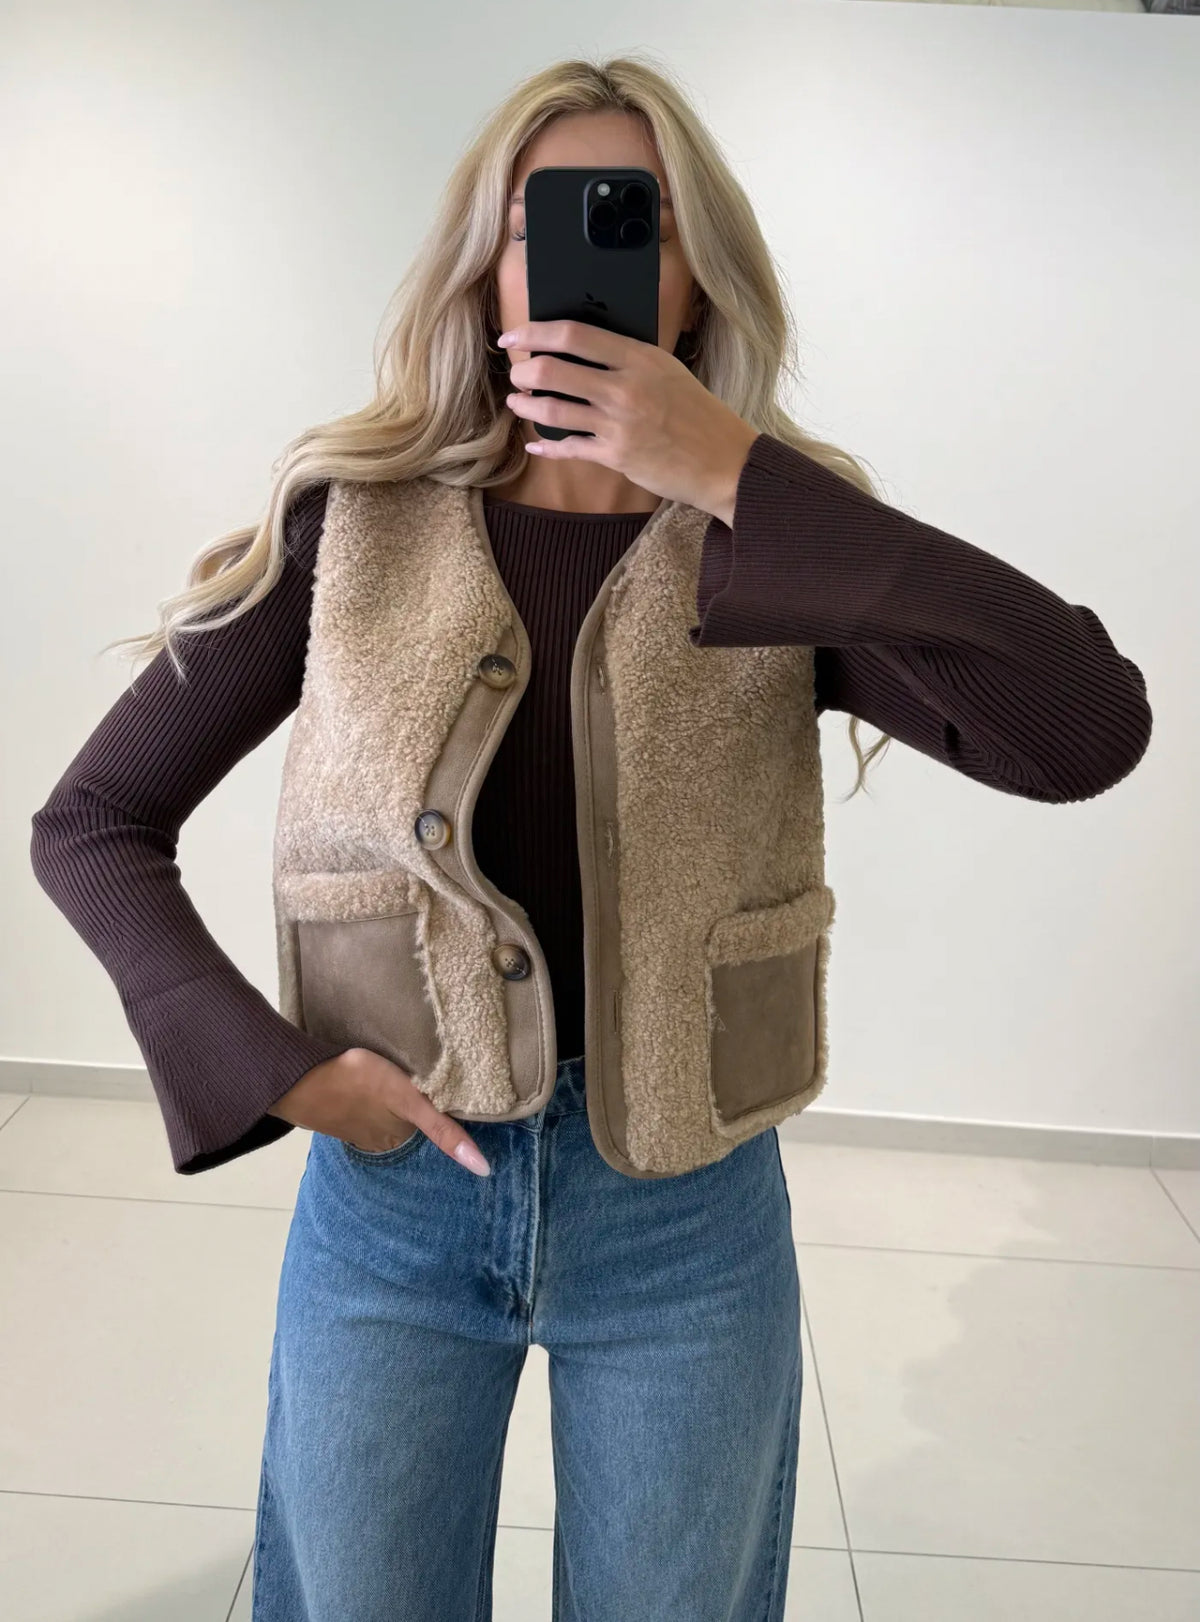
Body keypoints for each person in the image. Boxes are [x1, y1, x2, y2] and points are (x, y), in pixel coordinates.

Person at [29, 54, 1150, 1622]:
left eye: (640, 221)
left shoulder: (783, 544)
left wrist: (737, 474)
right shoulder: (349, 524)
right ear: (484, 271)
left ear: (696, 283)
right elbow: (93, 819)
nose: (583, 262)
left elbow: (1089, 726)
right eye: (536, 225)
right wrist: (265, 1066)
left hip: (688, 1213)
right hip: (395, 1199)